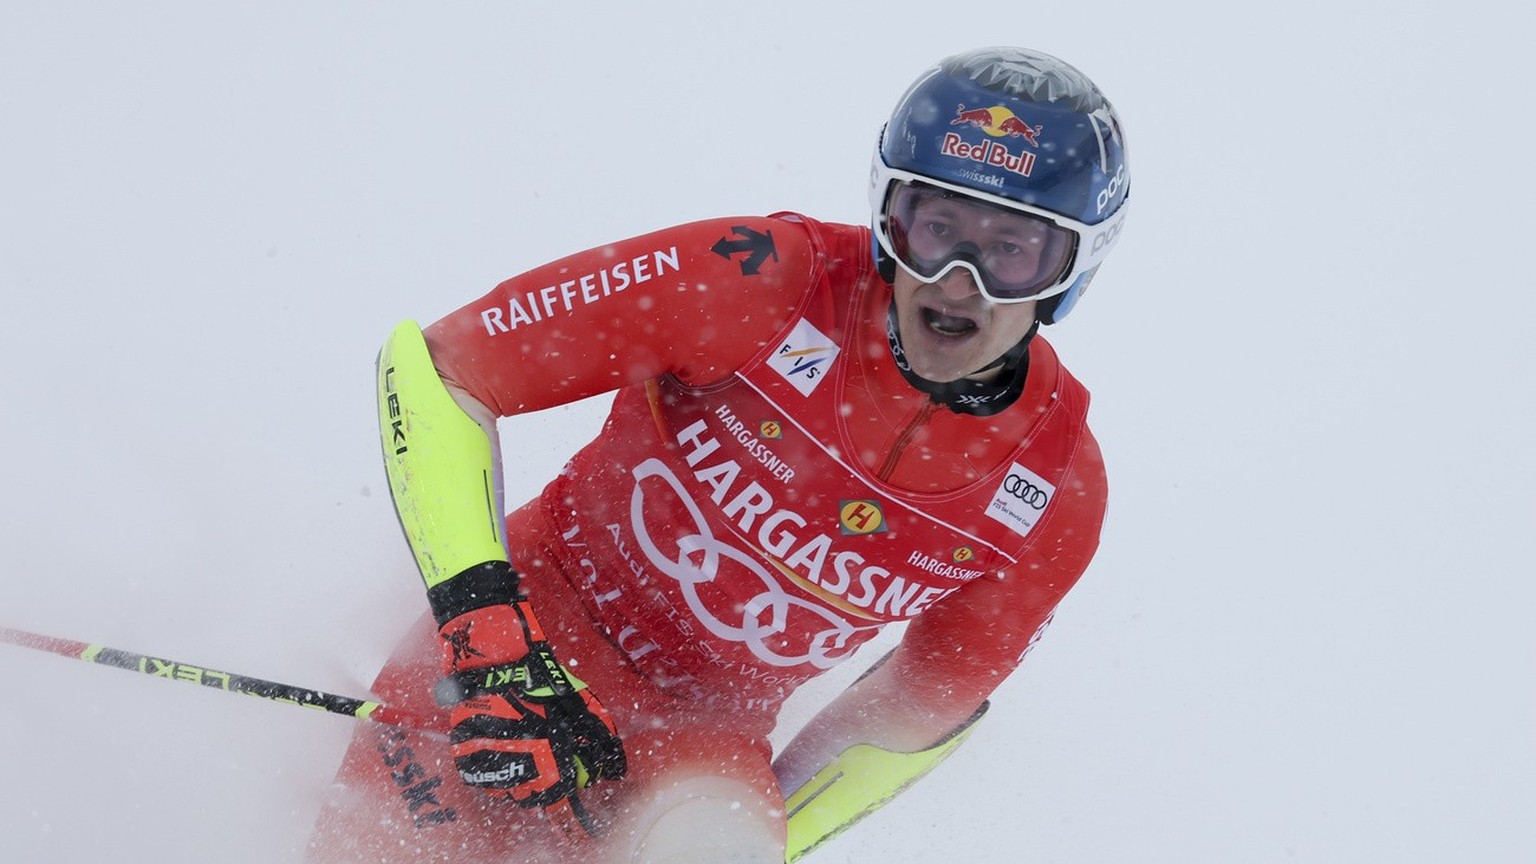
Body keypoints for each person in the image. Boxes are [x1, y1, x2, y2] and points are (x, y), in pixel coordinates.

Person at [308, 46, 1129, 864]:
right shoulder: (759, 279)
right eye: (935, 228)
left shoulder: (1057, 488)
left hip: (699, 748)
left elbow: (926, 704)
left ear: (1074, 265)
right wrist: (485, 631)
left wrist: (765, 839)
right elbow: (440, 368)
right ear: (888, 218)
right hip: (521, 649)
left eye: (1013, 250)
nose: (959, 281)